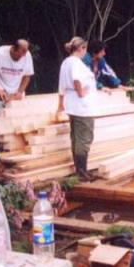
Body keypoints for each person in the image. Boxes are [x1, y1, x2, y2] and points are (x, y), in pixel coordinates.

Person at [56, 37, 98, 181]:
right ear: (81, 48)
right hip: (82, 107)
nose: (85, 52)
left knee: (76, 137)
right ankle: (81, 171)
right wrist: (80, 92)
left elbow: (61, 86)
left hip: (73, 105)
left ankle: (80, 170)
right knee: (84, 138)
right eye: (85, 49)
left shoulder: (66, 62)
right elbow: (76, 79)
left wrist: (61, 104)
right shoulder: (76, 63)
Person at [0, 39, 34, 117]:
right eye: (19, 55)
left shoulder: (27, 55)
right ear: (13, 48)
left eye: (23, 55)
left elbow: (27, 76)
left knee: (17, 123)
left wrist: (20, 92)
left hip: (16, 98)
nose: (21, 57)